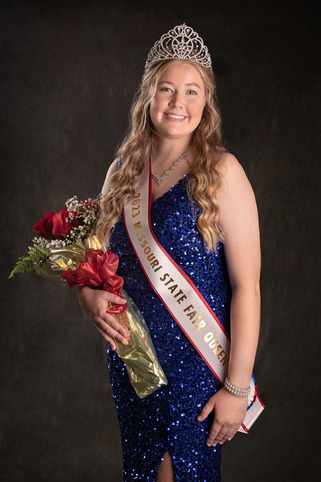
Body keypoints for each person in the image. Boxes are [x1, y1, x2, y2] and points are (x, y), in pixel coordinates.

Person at [78, 24, 261, 481]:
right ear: (149, 96)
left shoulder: (223, 171)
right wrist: (88, 296)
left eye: (192, 91)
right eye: (167, 89)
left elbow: (247, 286)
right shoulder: (121, 171)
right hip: (136, 364)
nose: (178, 103)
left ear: (206, 102)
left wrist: (237, 389)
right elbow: (94, 257)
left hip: (194, 367)